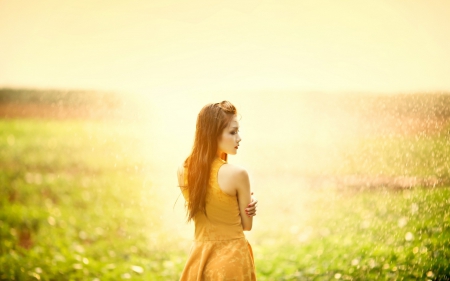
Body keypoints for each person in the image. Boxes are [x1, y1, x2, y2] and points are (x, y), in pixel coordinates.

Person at [177, 101, 258, 280]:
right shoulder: (237, 174)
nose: (239, 137)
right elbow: (247, 225)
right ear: (213, 134)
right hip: (231, 262)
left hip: (199, 259)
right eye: (232, 132)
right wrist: (246, 202)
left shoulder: (183, 170)